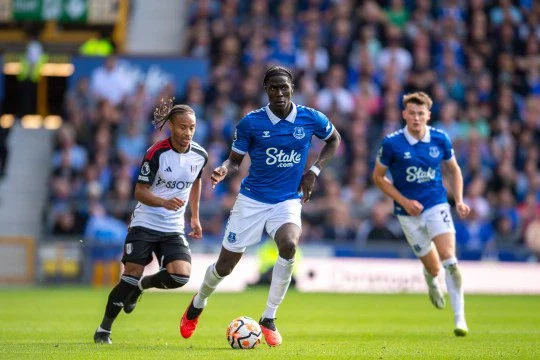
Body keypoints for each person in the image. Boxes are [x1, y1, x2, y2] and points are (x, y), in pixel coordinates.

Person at [179, 66, 341, 346]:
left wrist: (313, 171)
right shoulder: (251, 123)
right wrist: (223, 170)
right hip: (252, 200)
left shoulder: (310, 118)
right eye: (273, 88)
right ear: (265, 90)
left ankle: (269, 318)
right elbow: (235, 160)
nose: (279, 92)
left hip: (287, 200)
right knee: (225, 266)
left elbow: (334, 140)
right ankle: (199, 301)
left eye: (284, 87)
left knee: (289, 244)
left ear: (292, 87)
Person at [93, 101, 208, 344]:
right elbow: (139, 192)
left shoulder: (200, 155)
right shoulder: (156, 153)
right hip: (145, 222)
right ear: (171, 127)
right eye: (183, 127)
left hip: (173, 227)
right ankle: (104, 328)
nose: (188, 133)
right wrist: (162, 202)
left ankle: (142, 286)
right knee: (130, 275)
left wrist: (195, 217)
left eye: (192, 128)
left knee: (180, 276)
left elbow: (196, 181)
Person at [372, 91, 471, 336]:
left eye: (421, 113)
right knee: (435, 268)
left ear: (428, 115)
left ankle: (460, 319)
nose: (416, 118)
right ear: (404, 115)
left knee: (450, 261)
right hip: (407, 213)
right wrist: (404, 201)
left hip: (436, 204)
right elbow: (378, 177)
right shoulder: (392, 143)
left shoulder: (440, 139)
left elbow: (454, 170)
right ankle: (431, 281)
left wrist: (458, 200)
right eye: (412, 113)